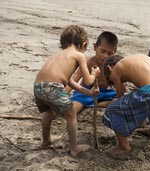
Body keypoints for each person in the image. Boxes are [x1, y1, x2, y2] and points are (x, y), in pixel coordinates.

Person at [33, 25, 100, 157]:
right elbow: (88, 81)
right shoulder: (79, 55)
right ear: (84, 44)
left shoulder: (56, 56)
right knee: (71, 114)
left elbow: (69, 81)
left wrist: (88, 93)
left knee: (49, 111)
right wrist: (95, 74)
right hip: (53, 87)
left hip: (38, 87)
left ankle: (46, 140)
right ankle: (74, 148)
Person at [102, 54, 150, 156]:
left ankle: (123, 146)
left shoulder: (116, 70)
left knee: (112, 110)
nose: (123, 82)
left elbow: (120, 97)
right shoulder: (135, 59)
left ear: (109, 68)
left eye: (110, 79)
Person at [68, 31, 119, 116]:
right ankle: (89, 103)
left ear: (114, 53)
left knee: (122, 99)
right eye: (102, 51)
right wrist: (62, 94)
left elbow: (119, 84)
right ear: (95, 47)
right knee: (74, 108)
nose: (105, 56)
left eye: (110, 53)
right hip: (86, 92)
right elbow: (73, 80)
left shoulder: (112, 65)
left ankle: (97, 104)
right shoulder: (88, 63)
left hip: (104, 92)